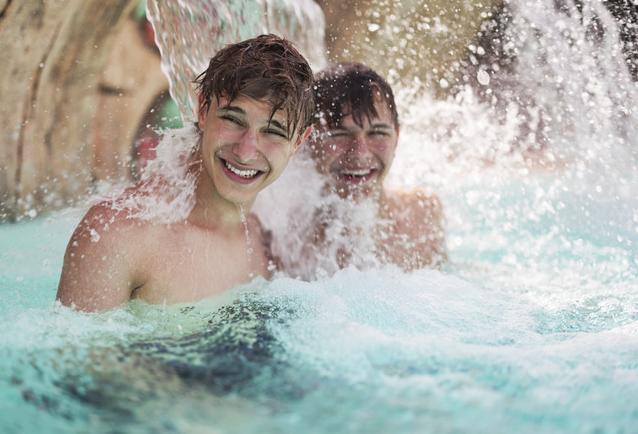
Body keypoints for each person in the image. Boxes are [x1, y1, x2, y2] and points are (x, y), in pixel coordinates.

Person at [56, 34, 314, 312]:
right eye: (232, 119)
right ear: (202, 110)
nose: (246, 150)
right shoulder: (118, 234)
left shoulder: (269, 242)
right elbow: (78, 354)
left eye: (273, 131)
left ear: (298, 142)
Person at [287, 62, 445, 274]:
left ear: (396, 138)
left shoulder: (424, 212)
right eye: (339, 134)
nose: (359, 152)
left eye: (377, 133)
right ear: (305, 141)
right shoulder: (288, 239)